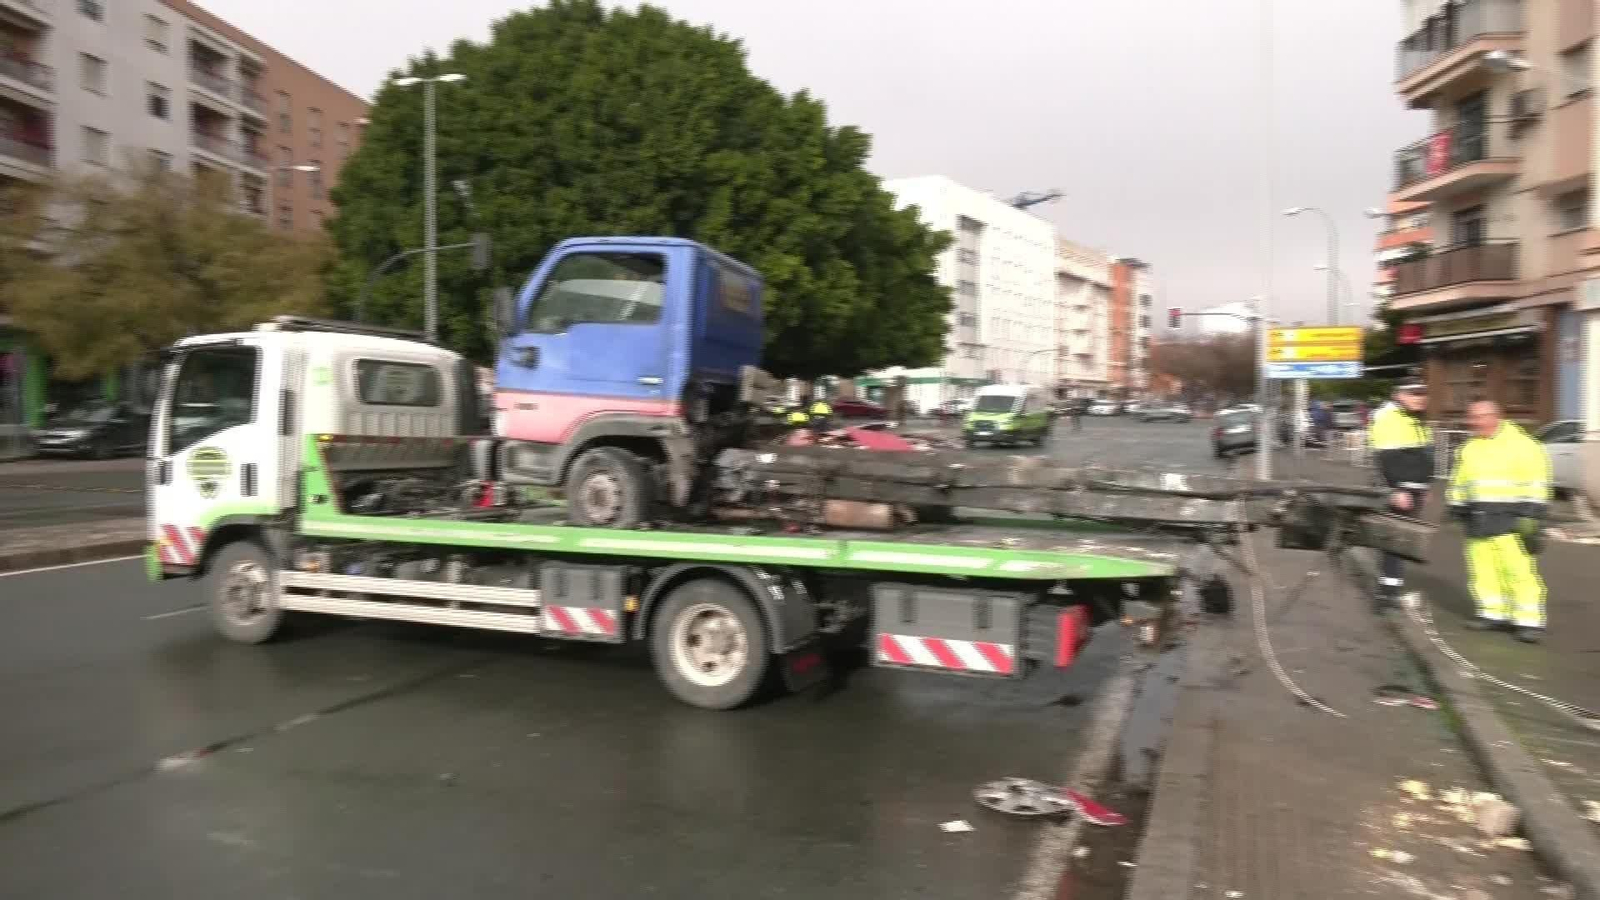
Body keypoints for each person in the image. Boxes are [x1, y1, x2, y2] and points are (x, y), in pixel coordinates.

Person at [1448, 400, 1551, 642]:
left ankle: (1528, 621)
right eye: (1470, 417)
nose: (1472, 422)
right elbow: (1460, 481)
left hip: (1510, 520)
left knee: (1518, 572)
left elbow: (1536, 482)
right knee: (1483, 571)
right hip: (1478, 519)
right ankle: (1492, 614)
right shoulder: (1469, 448)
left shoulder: (1523, 445)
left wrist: (1531, 515)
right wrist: (1456, 506)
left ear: (1495, 416)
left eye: (1478, 417)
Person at [1367, 374, 1433, 612]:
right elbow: (1384, 459)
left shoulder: (1415, 419)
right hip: (1399, 490)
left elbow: (1424, 456)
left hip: (1414, 489)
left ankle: (1391, 589)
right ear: (1398, 395)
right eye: (1414, 393)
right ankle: (1386, 595)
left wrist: (1426, 485)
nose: (1420, 398)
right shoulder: (1388, 417)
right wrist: (1394, 490)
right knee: (1394, 540)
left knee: (1401, 541)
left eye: (1422, 393)